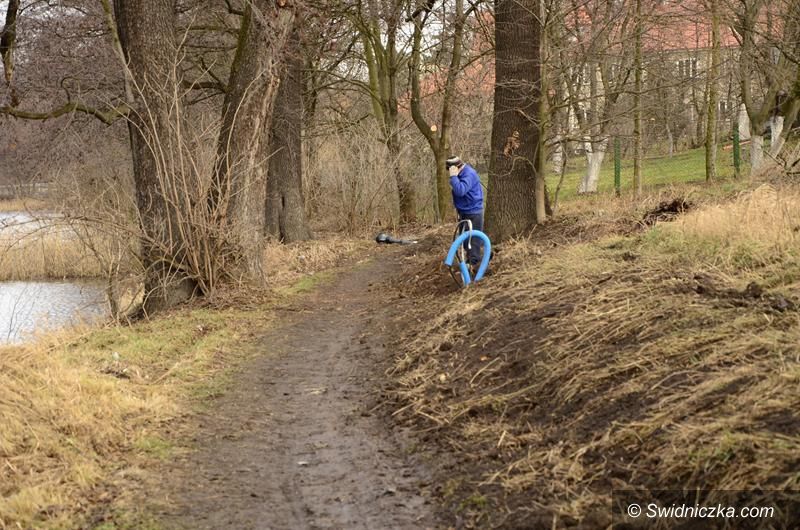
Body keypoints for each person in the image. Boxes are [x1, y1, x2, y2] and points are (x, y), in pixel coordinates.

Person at [446, 155, 484, 268]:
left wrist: (453, 177)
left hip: (473, 212)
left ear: (454, 168)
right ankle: (469, 262)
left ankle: (475, 265)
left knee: (473, 241)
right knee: (466, 240)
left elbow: (460, 190)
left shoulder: (468, 174)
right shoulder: (461, 174)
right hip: (464, 211)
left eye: (450, 171)